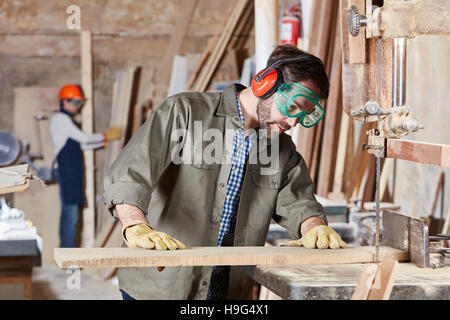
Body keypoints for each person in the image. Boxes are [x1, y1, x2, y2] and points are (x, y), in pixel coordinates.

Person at [103, 44, 347, 300]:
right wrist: (134, 225)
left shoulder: (282, 149)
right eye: (293, 107)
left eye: (304, 115)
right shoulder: (184, 112)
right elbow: (130, 173)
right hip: (162, 284)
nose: (294, 122)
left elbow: (299, 203)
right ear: (266, 84)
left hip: (229, 287)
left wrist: (315, 228)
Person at [50, 84, 121, 248]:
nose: (78, 107)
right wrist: (105, 135)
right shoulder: (60, 119)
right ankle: (68, 253)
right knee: (70, 214)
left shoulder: (68, 120)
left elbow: (79, 145)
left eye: (79, 103)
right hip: (66, 170)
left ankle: (67, 251)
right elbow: (83, 139)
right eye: (75, 103)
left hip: (70, 171)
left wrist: (102, 142)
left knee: (71, 213)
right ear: (64, 102)